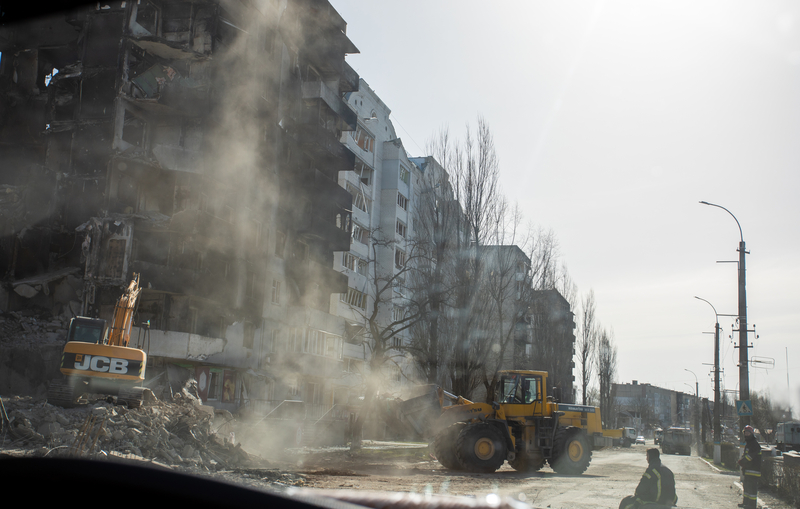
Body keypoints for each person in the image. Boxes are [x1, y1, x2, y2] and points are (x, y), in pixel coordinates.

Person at [738, 425, 761, 508]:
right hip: (748, 470)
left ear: (752, 433)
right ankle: (746, 503)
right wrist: (743, 463)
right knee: (747, 488)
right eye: (745, 433)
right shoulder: (749, 444)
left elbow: (750, 456)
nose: (746, 434)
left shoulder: (754, 444)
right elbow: (746, 455)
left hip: (754, 471)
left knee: (752, 489)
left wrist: (743, 461)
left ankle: (752, 505)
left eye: (748, 433)